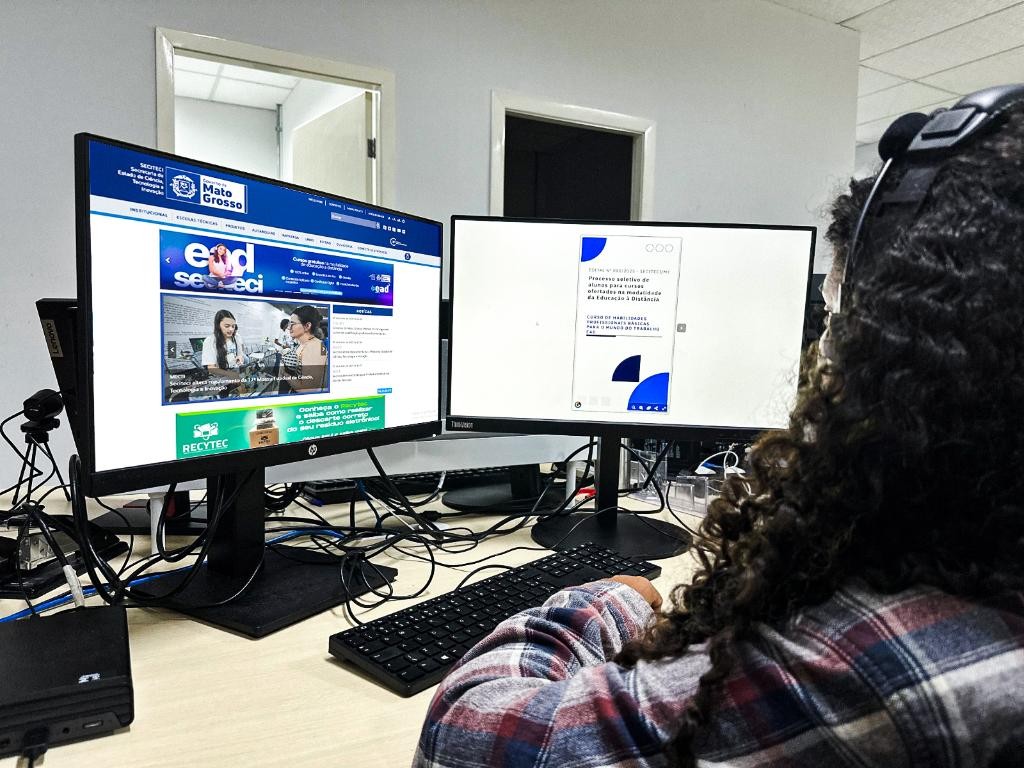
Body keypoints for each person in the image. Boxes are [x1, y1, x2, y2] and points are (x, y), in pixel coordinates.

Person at [414, 98, 1024, 767]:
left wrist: (607, 600)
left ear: (897, 360)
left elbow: (462, 737)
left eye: (833, 319)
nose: (817, 354)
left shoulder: (862, 661)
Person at [281, 304, 327, 393]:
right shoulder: (304, 343)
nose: (289, 327)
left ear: (307, 326)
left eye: (293, 324)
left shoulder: (315, 347)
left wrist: (284, 374)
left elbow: (307, 389)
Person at [201, 309, 246, 395]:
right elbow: (211, 368)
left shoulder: (236, 337)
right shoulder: (210, 341)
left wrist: (240, 358)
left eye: (233, 326)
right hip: (221, 382)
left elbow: (240, 354)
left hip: (236, 376)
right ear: (218, 325)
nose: (231, 329)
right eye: (227, 326)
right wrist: (230, 374)